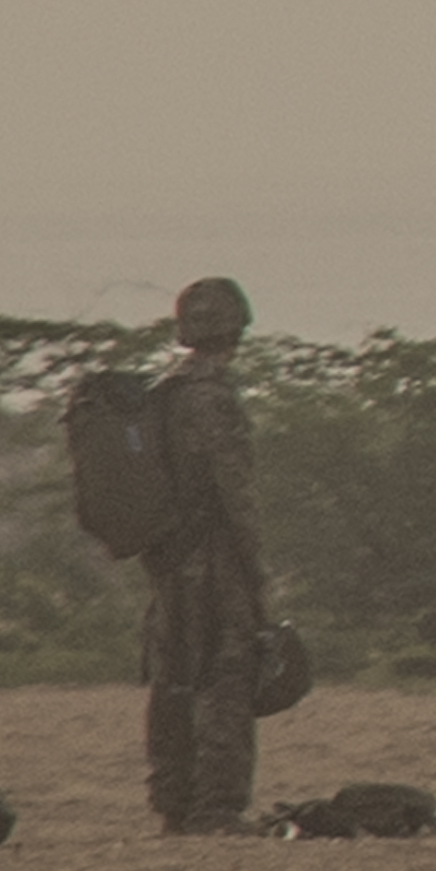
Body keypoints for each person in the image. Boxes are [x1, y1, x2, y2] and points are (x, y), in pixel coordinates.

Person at [140, 277, 270, 836]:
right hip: (212, 559)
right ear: (236, 329)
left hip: (167, 560)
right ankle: (216, 806)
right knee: (226, 674)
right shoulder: (213, 397)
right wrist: (256, 571)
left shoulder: (160, 394)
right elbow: (234, 492)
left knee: (173, 677)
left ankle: (173, 801)